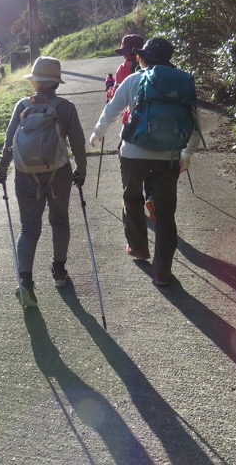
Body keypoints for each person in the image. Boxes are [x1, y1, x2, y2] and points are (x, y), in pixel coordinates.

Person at [89, 38, 201, 287]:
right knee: (165, 213)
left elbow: (112, 110)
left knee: (132, 197)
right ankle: (163, 272)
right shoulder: (182, 81)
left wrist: (97, 134)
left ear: (144, 57)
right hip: (170, 154)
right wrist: (187, 153)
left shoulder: (133, 80)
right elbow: (194, 120)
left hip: (133, 152)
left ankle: (139, 248)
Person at [0, 56, 87, 306]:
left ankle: (25, 281)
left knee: (28, 228)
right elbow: (78, 142)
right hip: (59, 172)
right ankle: (59, 271)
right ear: (56, 82)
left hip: (26, 174)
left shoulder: (23, 104)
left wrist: (2, 168)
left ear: (35, 81)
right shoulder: (66, 107)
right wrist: (82, 169)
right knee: (59, 221)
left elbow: (10, 140)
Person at [113, 34, 155, 220]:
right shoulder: (153, 68)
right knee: (152, 166)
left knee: (130, 162)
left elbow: (116, 98)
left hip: (131, 124)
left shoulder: (123, 69)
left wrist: (109, 87)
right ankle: (152, 196)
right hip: (153, 121)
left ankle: (134, 199)